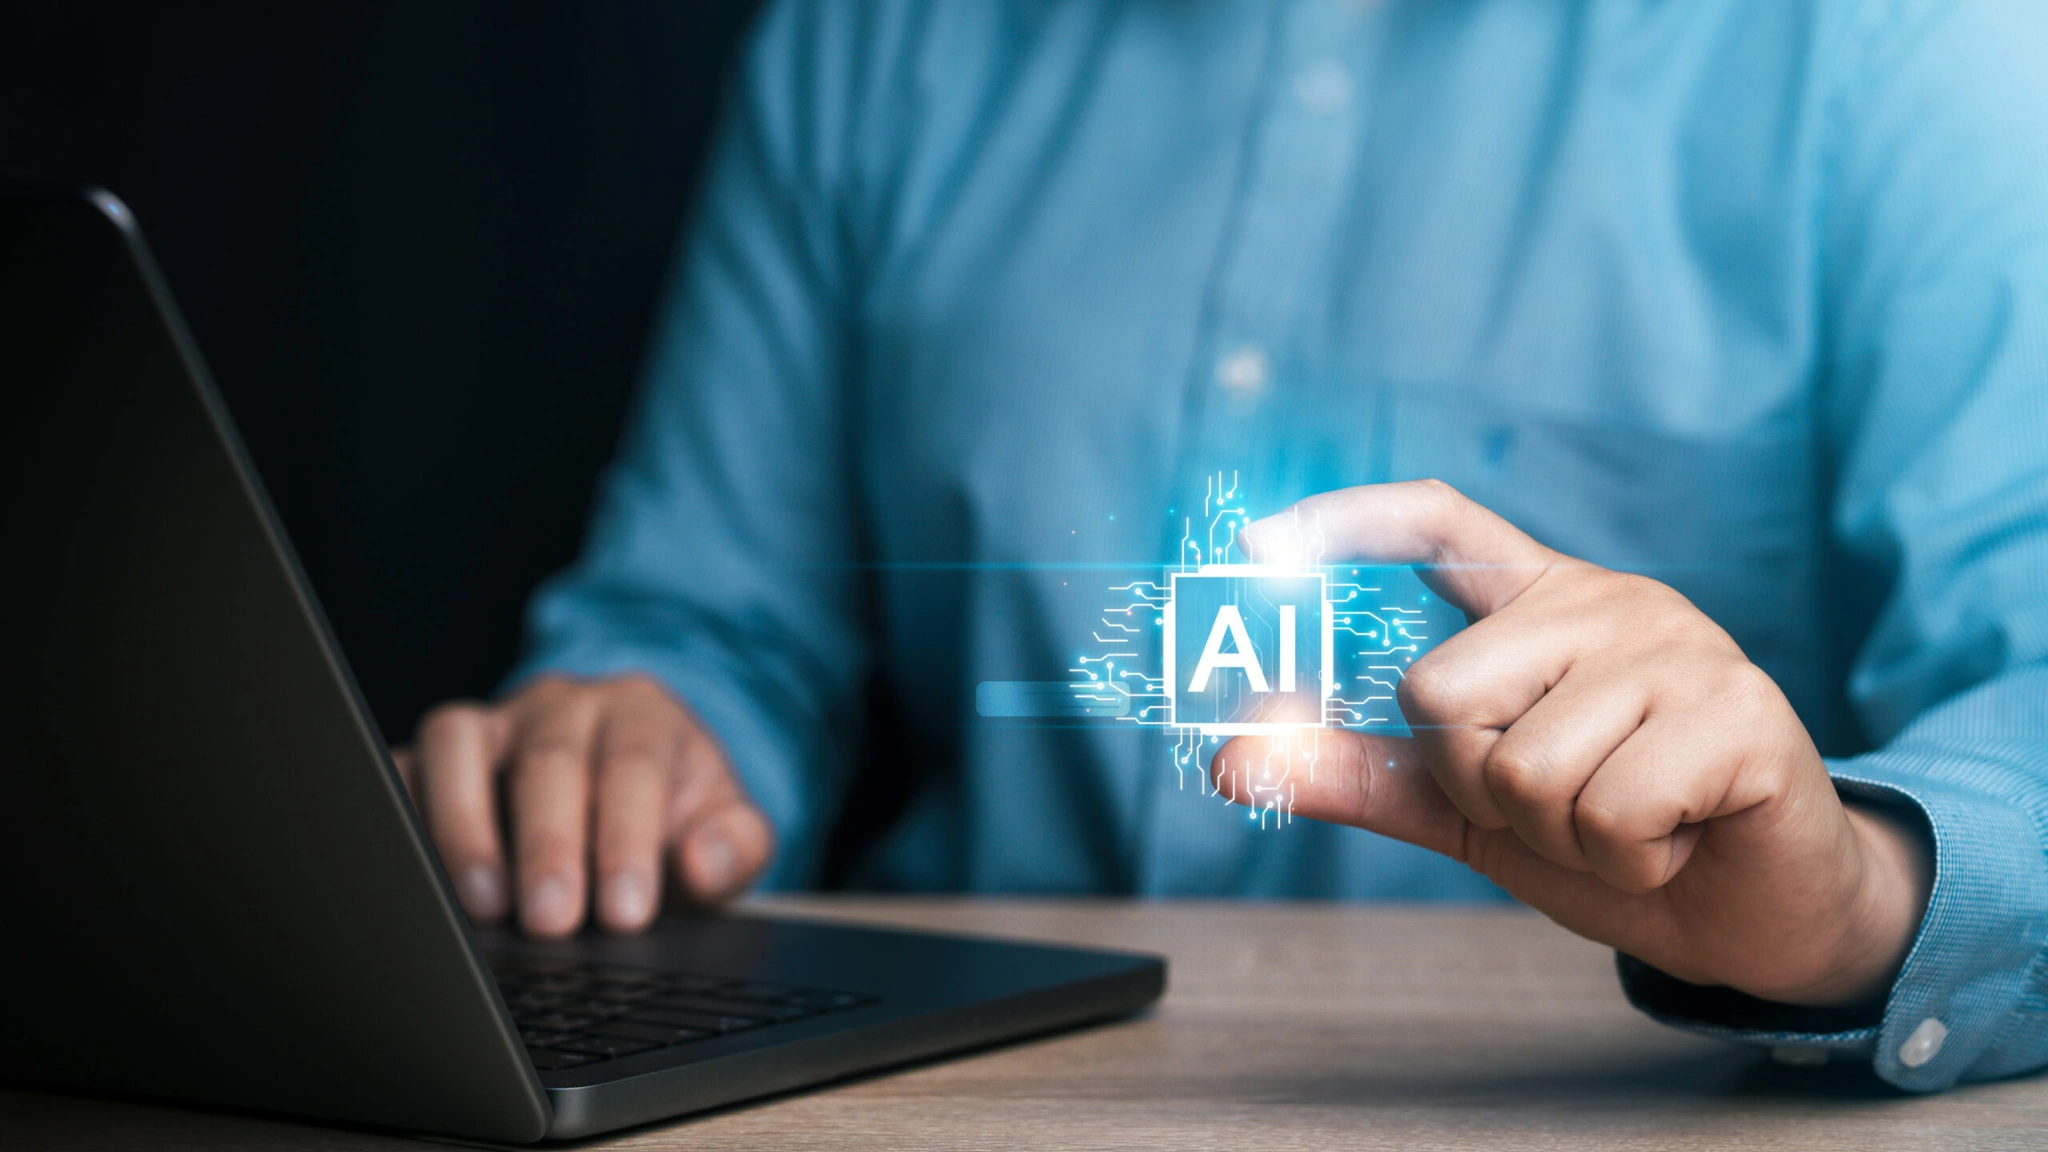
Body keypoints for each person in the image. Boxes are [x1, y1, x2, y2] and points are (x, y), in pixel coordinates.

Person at [396, 0, 2048, 1091]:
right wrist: (640, 744)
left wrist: (1850, 896)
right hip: (932, 1097)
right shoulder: (877, 35)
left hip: (1569, 1104)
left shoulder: (1899, 46)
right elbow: (708, 618)